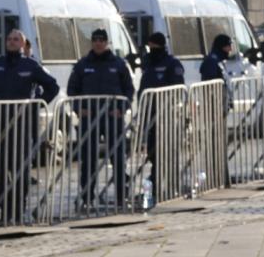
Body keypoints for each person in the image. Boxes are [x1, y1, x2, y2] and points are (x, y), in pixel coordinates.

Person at [0, 29, 59, 224]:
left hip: (23, 127)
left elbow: (52, 86)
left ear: (23, 44)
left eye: (16, 40)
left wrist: (36, 104)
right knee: (0, 169)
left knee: (21, 169)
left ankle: (18, 209)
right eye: (9, 39)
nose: (12, 42)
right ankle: (6, 210)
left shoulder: (30, 65)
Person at [67, 28, 135, 208]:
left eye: (101, 40)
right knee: (88, 160)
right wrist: (78, 109)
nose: (98, 43)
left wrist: (122, 109)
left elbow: (128, 89)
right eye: (95, 39)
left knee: (118, 158)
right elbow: (72, 90)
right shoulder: (82, 64)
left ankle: (121, 196)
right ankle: (87, 199)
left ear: (106, 42)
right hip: (89, 119)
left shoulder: (118, 64)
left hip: (113, 118)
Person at [139, 32, 185, 200]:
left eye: (154, 46)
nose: (152, 50)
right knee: (153, 154)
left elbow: (178, 88)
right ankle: (156, 186)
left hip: (167, 117)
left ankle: (164, 187)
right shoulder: (148, 63)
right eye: (150, 46)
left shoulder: (171, 64)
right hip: (150, 115)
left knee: (166, 154)